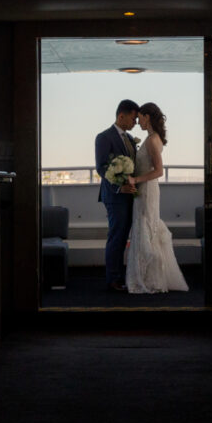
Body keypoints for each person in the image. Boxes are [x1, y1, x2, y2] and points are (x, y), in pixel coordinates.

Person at [125, 102, 189, 294]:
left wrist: (135, 178)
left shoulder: (153, 140)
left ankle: (148, 277)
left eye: (140, 118)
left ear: (148, 117)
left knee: (146, 226)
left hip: (147, 189)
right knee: (144, 226)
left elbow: (159, 171)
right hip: (145, 188)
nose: (138, 122)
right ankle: (146, 274)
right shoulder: (152, 138)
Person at [94, 99, 140, 292]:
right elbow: (102, 168)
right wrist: (120, 188)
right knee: (117, 237)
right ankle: (113, 279)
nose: (135, 122)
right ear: (121, 116)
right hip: (115, 196)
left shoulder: (130, 139)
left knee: (125, 237)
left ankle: (123, 276)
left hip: (131, 196)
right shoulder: (104, 137)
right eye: (133, 118)